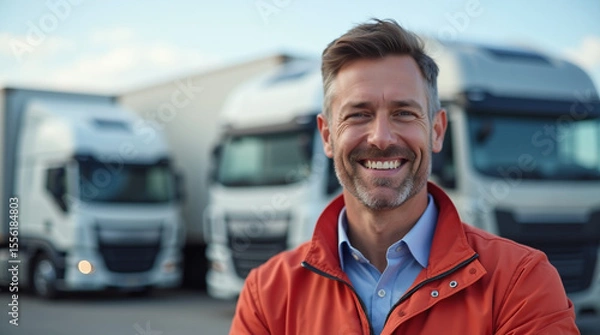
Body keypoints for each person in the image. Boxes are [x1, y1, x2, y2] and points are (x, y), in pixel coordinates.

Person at [229, 19, 579, 335]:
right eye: (358, 114)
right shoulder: (268, 293)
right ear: (327, 137)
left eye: (403, 113)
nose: (381, 137)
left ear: (437, 131)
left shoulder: (520, 281)